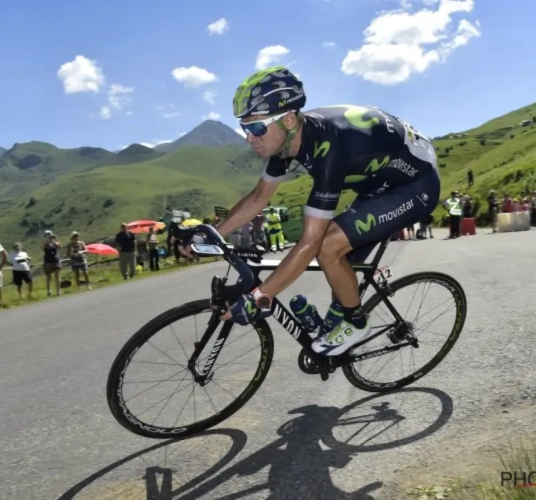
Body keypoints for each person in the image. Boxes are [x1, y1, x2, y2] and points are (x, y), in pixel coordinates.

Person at [181, 66, 440, 356]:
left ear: (289, 118)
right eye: (245, 127)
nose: (248, 138)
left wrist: (260, 296)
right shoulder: (288, 139)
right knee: (339, 262)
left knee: (327, 247)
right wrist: (212, 235)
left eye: (256, 128)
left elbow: (309, 243)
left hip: (415, 185)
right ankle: (335, 321)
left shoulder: (328, 148)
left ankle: (356, 323)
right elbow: (257, 199)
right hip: (377, 185)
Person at [42, 230, 62, 296]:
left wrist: (56, 239)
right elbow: (42, 248)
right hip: (48, 261)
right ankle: (49, 291)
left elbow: (60, 246)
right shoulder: (44, 242)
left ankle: (58, 291)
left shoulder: (55, 242)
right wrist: (48, 240)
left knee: (57, 276)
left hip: (56, 260)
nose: (49, 236)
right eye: (47, 235)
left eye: (50, 234)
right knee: (49, 277)